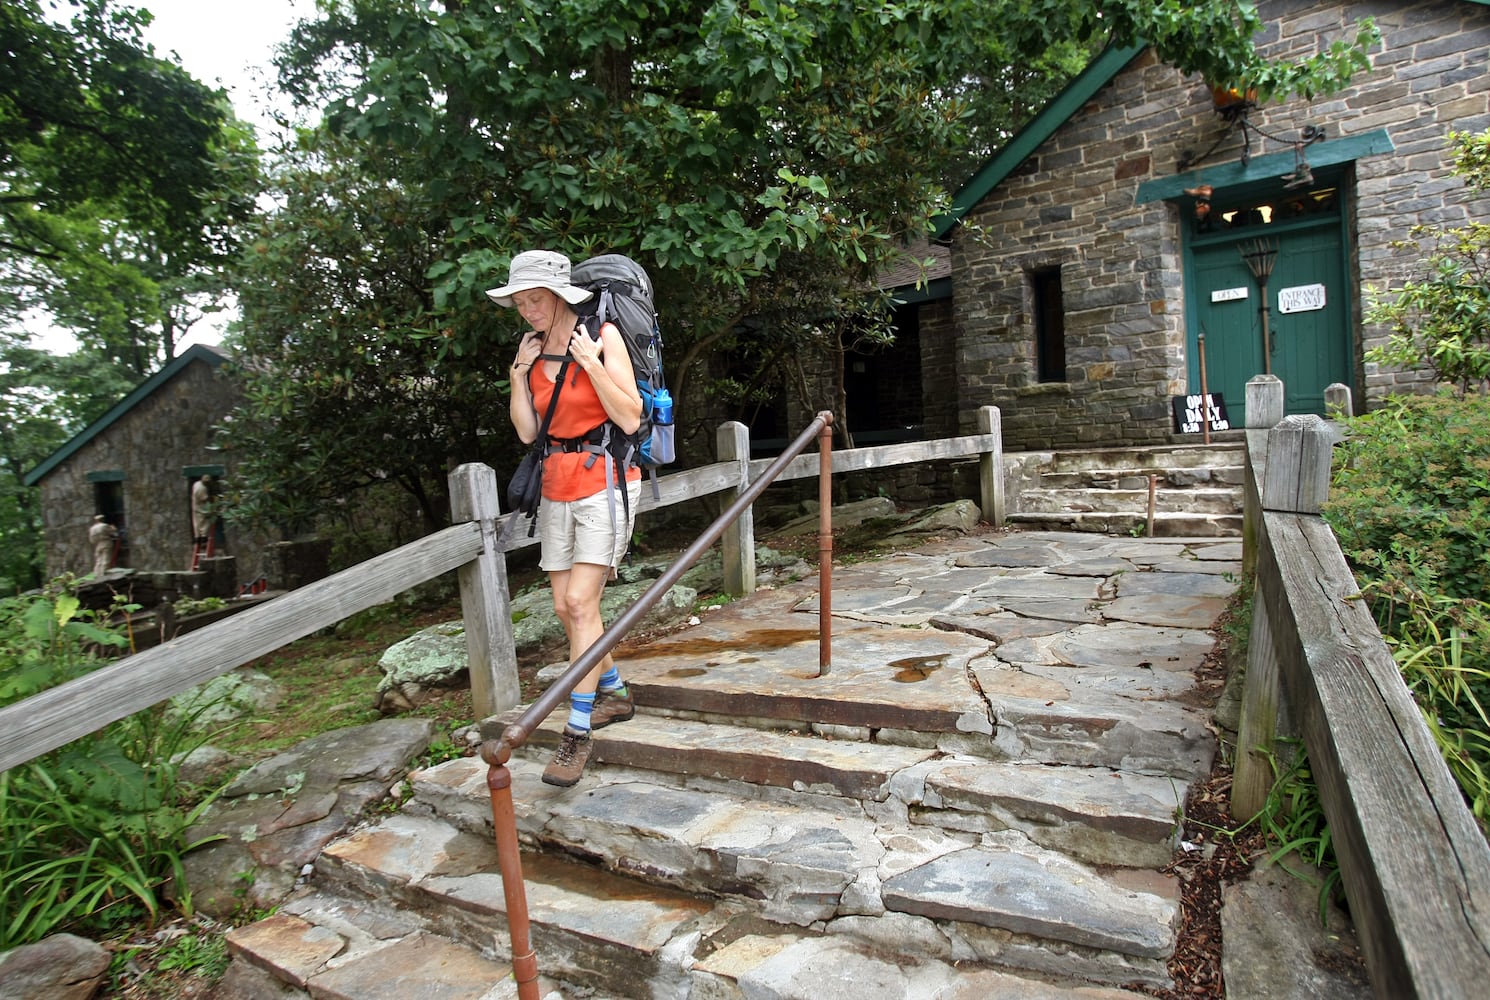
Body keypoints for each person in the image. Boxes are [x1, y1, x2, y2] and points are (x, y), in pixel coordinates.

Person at [488, 249, 644, 787]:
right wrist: (518, 375)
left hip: (605, 481)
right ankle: (616, 691)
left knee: (581, 602)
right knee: (565, 606)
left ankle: (577, 732)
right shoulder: (530, 348)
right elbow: (529, 433)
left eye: (536, 299)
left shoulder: (600, 333)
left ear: (559, 295)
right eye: (520, 301)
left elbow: (629, 415)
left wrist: (592, 362)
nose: (527, 309)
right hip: (554, 483)